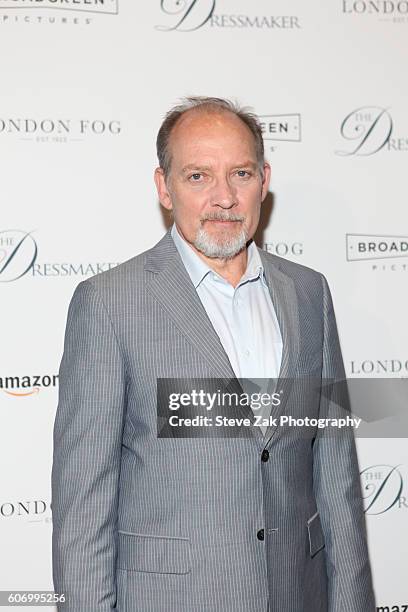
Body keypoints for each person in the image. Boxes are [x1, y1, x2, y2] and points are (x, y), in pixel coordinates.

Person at [51, 96, 376, 611]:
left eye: (240, 174)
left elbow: (334, 473)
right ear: (164, 187)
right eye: (198, 176)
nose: (223, 198)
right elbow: (83, 505)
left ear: (264, 180)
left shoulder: (310, 294)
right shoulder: (109, 305)